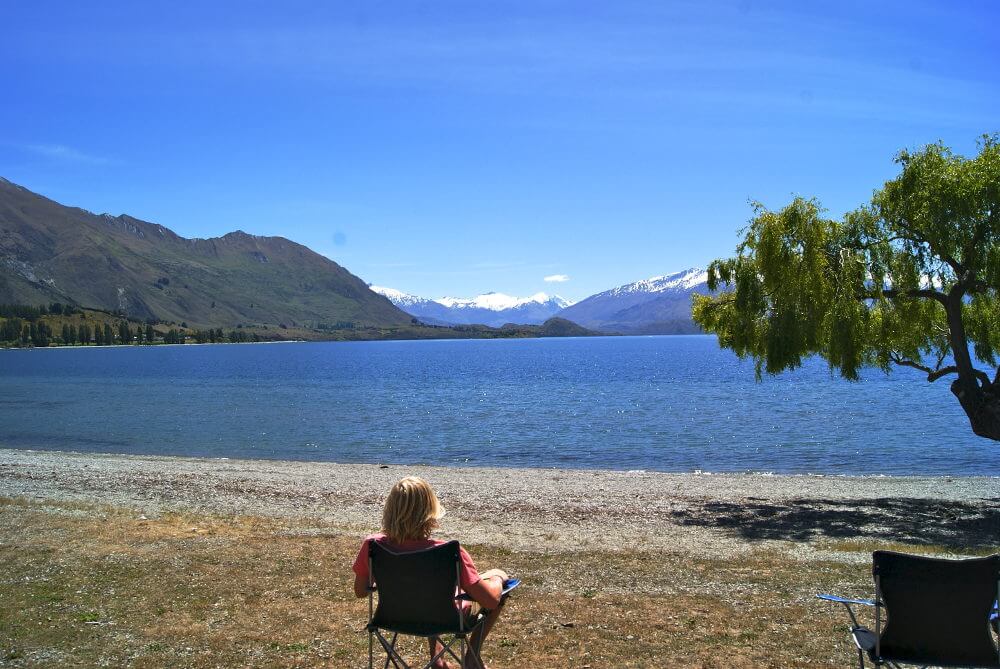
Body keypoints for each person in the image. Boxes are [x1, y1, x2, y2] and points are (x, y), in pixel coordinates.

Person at [353, 476, 509, 669]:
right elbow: (490, 601)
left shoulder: (373, 546)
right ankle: (472, 656)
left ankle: (437, 659)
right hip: (447, 617)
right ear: (430, 511)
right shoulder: (448, 552)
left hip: (394, 616)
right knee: (488, 585)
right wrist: (497, 578)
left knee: (425, 591)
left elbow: (360, 591)